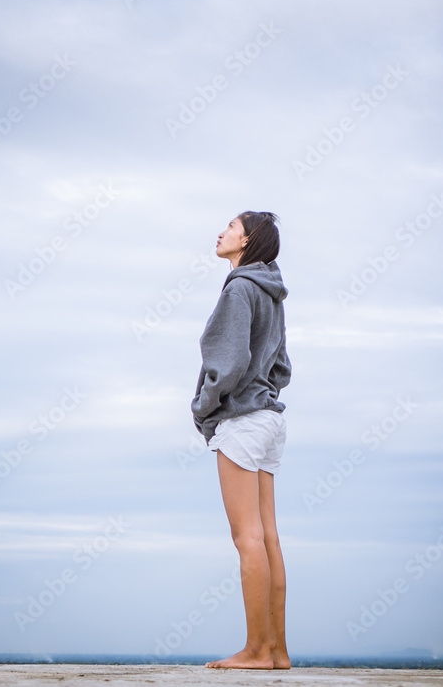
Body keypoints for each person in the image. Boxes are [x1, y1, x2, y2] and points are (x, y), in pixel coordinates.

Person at [191, 211, 292, 670]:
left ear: (248, 241)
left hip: (243, 420)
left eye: (229, 227)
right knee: (267, 536)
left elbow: (227, 365)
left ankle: (254, 650)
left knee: (245, 536)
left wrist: (203, 405)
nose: (220, 232)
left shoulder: (239, 289)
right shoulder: (273, 294)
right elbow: (282, 367)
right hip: (270, 419)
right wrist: (262, 392)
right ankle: (277, 651)